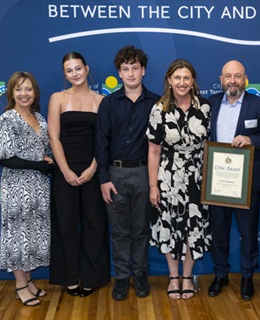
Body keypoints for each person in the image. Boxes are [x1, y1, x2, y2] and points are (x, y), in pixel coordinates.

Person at [95, 45, 160, 301]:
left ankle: (140, 275)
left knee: (141, 229)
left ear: (143, 71)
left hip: (145, 173)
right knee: (120, 231)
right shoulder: (108, 103)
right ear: (119, 74)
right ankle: (122, 277)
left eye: (135, 68)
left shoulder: (156, 103)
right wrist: (104, 178)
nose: (131, 73)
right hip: (116, 174)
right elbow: (101, 143)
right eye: (125, 69)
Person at [207, 60, 260, 301]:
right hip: (216, 180)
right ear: (221, 79)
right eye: (228, 76)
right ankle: (220, 274)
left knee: (248, 233)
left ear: (246, 79)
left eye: (237, 76)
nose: (232, 80)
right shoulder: (211, 103)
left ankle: (247, 277)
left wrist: (250, 140)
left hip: (246, 182)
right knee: (219, 232)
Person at [0, 71, 54, 306]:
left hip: (37, 186)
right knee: (17, 235)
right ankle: (20, 285)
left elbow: (40, 149)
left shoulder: (39, 118)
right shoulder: (8, 119)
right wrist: (36, 165)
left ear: (35, 92)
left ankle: (29, 280)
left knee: (32, 234)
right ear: (11, 92)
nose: (24, 94)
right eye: (19, 89)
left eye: (28, 89)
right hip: (17, 187)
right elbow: (0, 157)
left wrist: (46, 160)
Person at [147, 59, 211, 300]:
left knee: (193, 227)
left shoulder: (205, 107)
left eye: (186, 78)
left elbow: (212, 146)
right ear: (169, 81)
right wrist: (153, 186)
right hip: (168, 176)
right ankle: (173, 277)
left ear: (192, 80)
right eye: (177, 78)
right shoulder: (159, 109)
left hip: (198, 177)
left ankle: (188, 277)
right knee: (170, 227)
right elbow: (153, 150)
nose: (182, 82)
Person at [47, 52, 110, 298]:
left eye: (78, 68)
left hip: (93, 170)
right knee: (66, 225)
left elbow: (103, 140)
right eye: (69, 70)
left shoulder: (101, 100)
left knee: (95, 225)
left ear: (87, 68)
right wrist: (65, 171)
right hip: (65, 170)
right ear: (65, 74)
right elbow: (54, 136)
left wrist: (93, 168)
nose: (75, 74)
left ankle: (92, 277)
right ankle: (69, 278)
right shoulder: (57, 99)